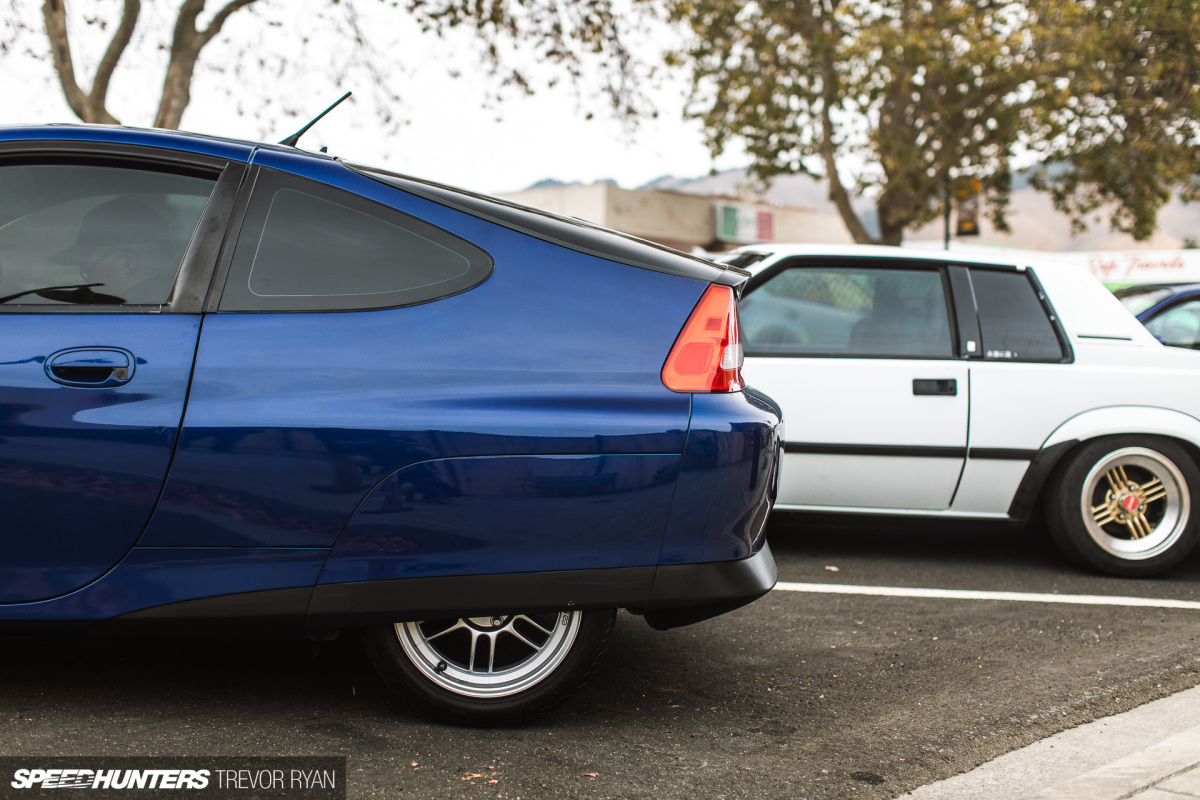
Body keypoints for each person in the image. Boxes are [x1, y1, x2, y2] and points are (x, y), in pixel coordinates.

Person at [49, 197, 180, 304]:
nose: (87, 284)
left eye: (88, 270)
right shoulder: (179, 300)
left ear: (128, 262)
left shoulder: (120, 315)